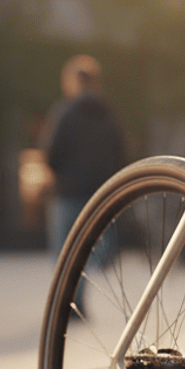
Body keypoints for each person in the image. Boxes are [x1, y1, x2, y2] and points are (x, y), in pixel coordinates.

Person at [42, 55, 125, 258]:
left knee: (66, 260)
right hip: (98, 194)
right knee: (90, 254)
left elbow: (51, 154)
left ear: (73, 81)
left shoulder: (65, 112)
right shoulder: (108, 115)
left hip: (68, 194)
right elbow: (120, 155)